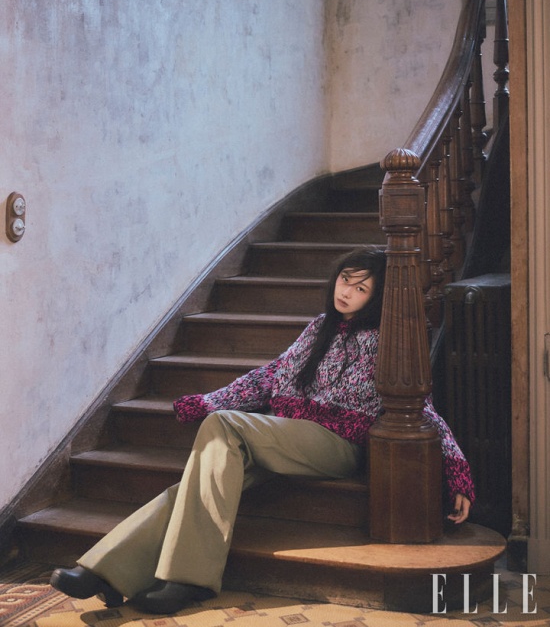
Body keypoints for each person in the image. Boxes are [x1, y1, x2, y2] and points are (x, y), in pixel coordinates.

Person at [50, 247, 475, 615]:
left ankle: (190, 579)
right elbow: (270, 376)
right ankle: (104, 572)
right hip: (285, 436)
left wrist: (456, 470)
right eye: (345, 279)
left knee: (224, 425)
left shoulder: (388, 340)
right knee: (195, 488)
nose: (346, 291)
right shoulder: (319, 327)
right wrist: (208, 400)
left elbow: (421, 408)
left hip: (338, 444)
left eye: (361, 288)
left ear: (376, 297)